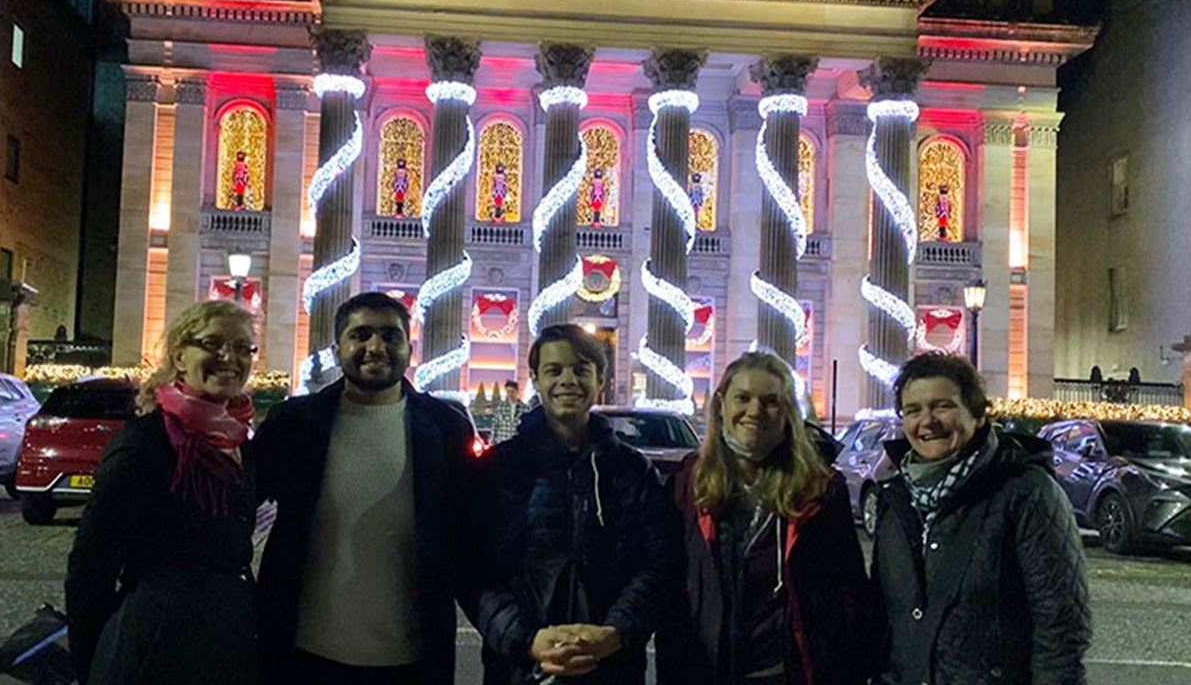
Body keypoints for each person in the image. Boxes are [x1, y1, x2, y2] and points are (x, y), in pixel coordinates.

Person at [253, 292, 478, 685]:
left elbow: (472, 536)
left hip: (412, 660)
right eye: (361, 335)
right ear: (338, 347)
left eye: (390, 336)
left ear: (409, 348)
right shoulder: (294, 425)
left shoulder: (445, 428)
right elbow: (233, 508)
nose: (376, 347)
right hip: (302, 656)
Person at [65, 300, 259, 684]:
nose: (229, 357)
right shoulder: (147, 442)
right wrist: (94, 663)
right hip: (158, 644)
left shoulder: (239, 439)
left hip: (228, 641)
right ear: (180, 356)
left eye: (242, 347)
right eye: (212, 343)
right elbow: (91, 566)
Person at [872, 353, 1091, 685]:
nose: (927, 421)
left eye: (942, 406)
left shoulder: (1026, 492)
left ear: (976, 413)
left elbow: (1061, 624)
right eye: (913, 410)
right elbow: (885, 617)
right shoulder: (896, 495)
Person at [475, 324, 677, 685]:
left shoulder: (631, 469)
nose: (568, 380)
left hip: (611, 665)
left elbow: (657, 563)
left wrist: (614, 633)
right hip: (520, 668)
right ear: (535, 380)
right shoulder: (500, 467)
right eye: (554, 370)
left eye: (581, 370)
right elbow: (475, 568)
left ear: (601, 380)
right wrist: (528, 640)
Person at [657, 351, 873, 685]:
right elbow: (666, 583)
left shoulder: (822, 490)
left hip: (787, 672)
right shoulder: (688, 483)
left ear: (788, 412)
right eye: (742, 398)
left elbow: (850, 590)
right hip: (703, 668)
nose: (755, 411)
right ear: (721, 405)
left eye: (770, 401)